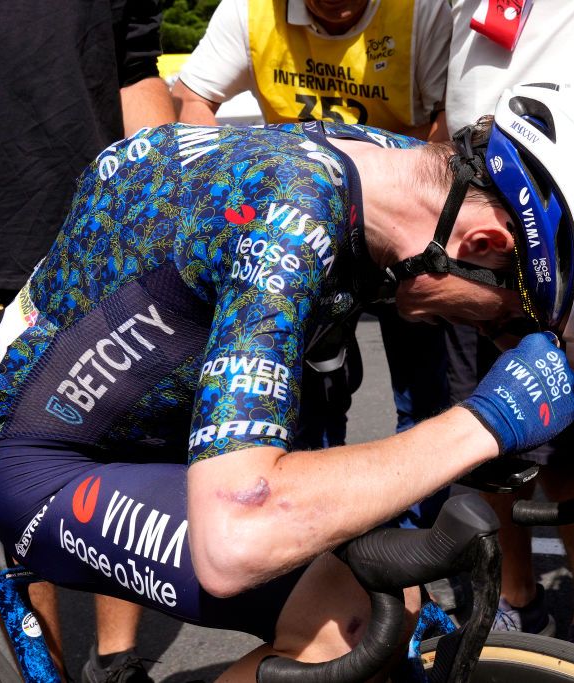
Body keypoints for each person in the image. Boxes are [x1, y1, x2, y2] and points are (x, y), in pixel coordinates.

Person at [0, 83, 574, 678]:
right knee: (347, 627)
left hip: (167, 432)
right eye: (513, 312)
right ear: (482, 244)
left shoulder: (398, 175)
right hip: (52, 460)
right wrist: (484, 420)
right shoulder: (291, 219)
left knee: (401, 604)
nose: (508, 335)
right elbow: (234, 540)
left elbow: (529, 332)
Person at [0, 2, 177, 681]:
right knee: (3, 471)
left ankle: (117, 662)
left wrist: (169, 203)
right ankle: (41, 669)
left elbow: (134, 69)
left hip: (99, 234)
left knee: (120, 438)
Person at [441, 0, 574, 659]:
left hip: (570, 208)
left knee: (571, 439)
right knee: (484, 432)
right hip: (467, 185)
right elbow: (429, 84)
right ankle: (515, 597)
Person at [170, 0, 453, 479]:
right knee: (311, 393)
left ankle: (417, 526)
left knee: (422, 391)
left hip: (399, 226)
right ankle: (312, 516)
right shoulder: (250, 9)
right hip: (301, 223)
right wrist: (227, 191)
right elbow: (194, 97)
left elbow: (449, 121)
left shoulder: (421, 10)